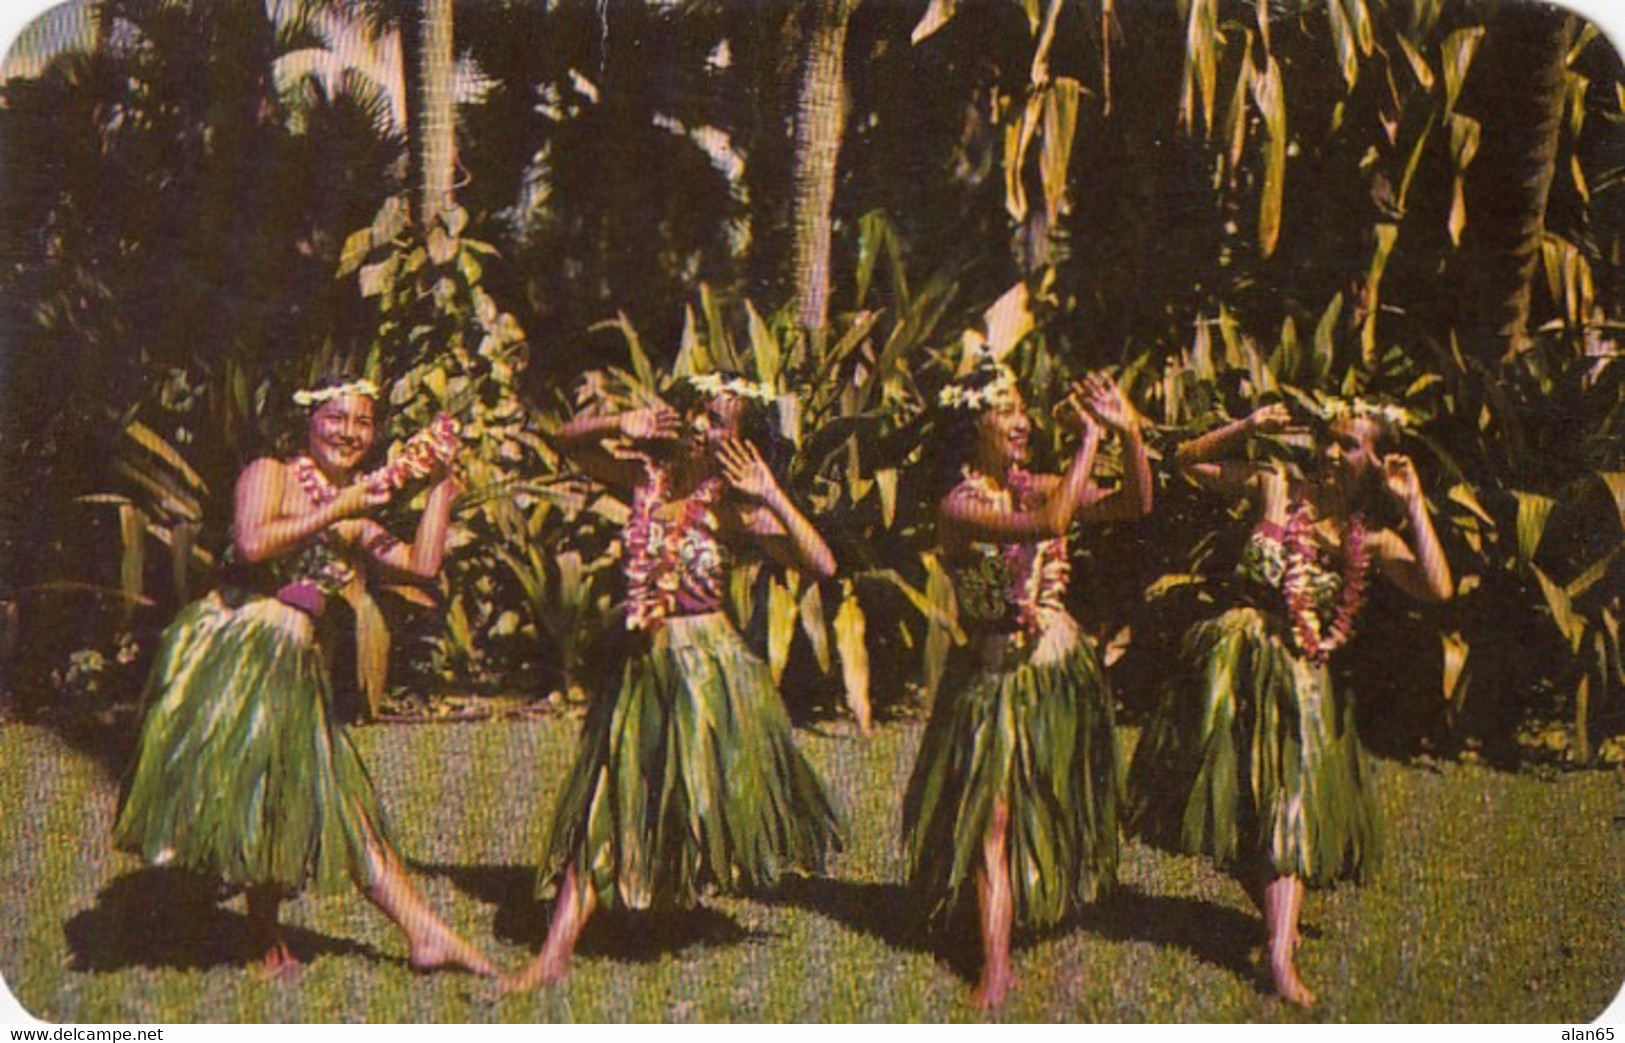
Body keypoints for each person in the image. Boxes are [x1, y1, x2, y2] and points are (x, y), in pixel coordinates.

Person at [113, 377, 494, 976]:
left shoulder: (358, 511)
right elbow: (252, 543)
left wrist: (442, 485)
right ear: (309, 421)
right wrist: (339, 507)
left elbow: (423, 565)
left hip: (292, 659)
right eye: (336, 417)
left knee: (295, 793)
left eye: (363, 422)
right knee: (278, 793)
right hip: (234, 648)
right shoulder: (271, 473)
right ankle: (400, 934)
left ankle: (414, 934)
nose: (349, 432)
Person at [506, 372, 841, 991]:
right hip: (639, 663)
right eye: (697, 413)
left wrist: (771, 491)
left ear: (738, 444)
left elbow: (821, 561)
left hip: (705, 667)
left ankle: (672, 910)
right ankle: (554, 953)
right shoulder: (644, 479)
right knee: (608, 792)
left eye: (719, 422)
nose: (700, 426)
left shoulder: (734, 508)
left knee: (687, 796)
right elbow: (560, 442)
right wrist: (616, 424)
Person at [1128, 399, 1451, 1007]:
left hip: (1301, 680)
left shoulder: (1369, 540)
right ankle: (1279, 926)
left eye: (1349, 445)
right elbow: (1183, 464)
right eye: (1327, 439)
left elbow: (1438, 585)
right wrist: (1245, 428)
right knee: (1227, 811)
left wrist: (1414, 502)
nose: (1330, 453)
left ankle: (1278, 956)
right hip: (1230, 664)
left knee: (1287, 808)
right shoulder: (1274, 486)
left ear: (1378, 460)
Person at [901, 361, 1152, 1011]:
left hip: (1053, 669)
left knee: (1042, 801)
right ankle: (995, 964)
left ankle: (1036, 907)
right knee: (993, 816)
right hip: (989, 677)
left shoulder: (1029, 485)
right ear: (970, 425)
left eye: (1021, 408)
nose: (1022, 421)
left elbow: (1134, 504)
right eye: (1005, 409)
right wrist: (1089, 439)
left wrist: (1126, 434)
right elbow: (1052, 523)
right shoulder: (958, 506)